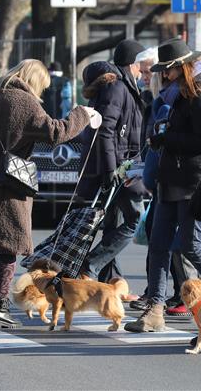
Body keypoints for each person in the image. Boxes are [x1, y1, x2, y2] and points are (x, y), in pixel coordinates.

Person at [0, 60, 100, 330]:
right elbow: (55, 131)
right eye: (43, 87)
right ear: (34, 80)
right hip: (8, 188)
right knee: (9, 250)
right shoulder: (23, 101)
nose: (42, 92)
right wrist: (81, 114)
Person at [125, 38, 201, 333]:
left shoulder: (199, 97)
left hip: (191, 184)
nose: (163, 75)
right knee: (159, 246)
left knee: (190, 246)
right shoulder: (175, 97)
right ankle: (154, 309)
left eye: (168, 70)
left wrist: (167, 140)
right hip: (169, 182)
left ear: (181, 68)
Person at [77, 57, 144, 285]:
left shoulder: (109, 89)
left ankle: (109, 279)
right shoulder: (116, 88)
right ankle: (92, 265)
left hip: (111, 165)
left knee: (110, 224)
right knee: (134, 219)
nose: (140, 70)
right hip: (118, 167)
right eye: (137, 64)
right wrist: (111, 169)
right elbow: (106, 132)